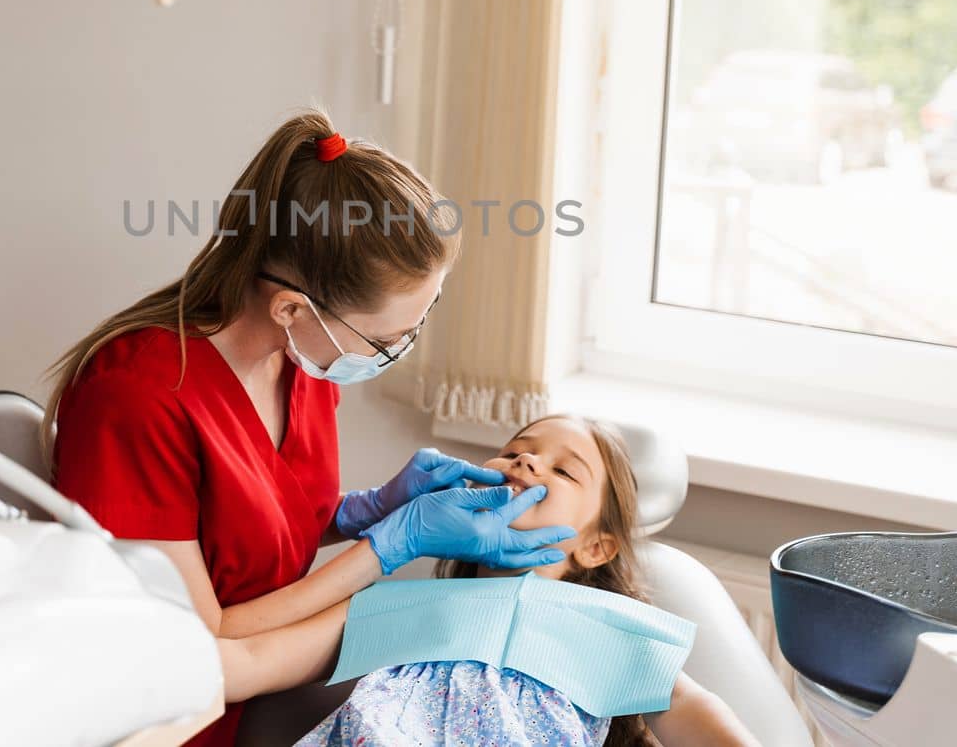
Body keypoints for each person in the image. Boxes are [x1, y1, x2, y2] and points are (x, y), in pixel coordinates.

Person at [45, 109, 572, 745]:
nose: (398, 348)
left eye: (420, 320)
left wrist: (366, 510)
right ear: (292, 308)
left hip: (260, 694)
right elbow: (192, 640)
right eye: (384, 338)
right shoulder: (136, 398)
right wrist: (386, 547)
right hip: (164, 714)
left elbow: (243, 532)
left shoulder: (301, 366)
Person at [218, 416, 764, 747]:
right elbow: (248, 659)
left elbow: (695, 714)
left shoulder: (608, 630)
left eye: (564, 469)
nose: (526, 459)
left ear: (595, 547)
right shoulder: (398, 606)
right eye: (515, 450)